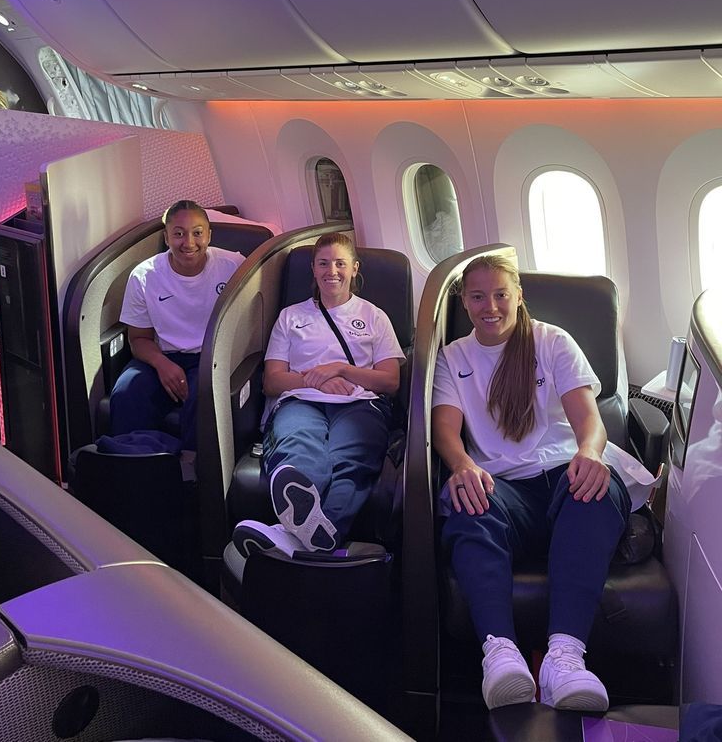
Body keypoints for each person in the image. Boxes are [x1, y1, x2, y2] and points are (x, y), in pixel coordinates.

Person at [432, 253, 656, 712]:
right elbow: (446, 431)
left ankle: (565, 658)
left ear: (518, 296)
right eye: (477, 297)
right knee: (467, 501)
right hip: (502, 487)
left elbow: (589, 422)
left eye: (500, 295)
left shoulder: (552, 342)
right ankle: (501, 655)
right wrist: (461, 465)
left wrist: (591, 454)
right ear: (464, 301)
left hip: (562, 472)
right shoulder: (453, 358)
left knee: (594, 489)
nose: (489, 306)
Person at [229, 232, 404, 572]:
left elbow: (390, 381)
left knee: (350, 459)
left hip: (359, 404)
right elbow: (273, 381)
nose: (332, 271)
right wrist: (317, 379)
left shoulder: (374, 316)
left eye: (340, 263)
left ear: (354, 269)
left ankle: (291, 536)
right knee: (299, 446)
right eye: (323, 263)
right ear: (313, 269)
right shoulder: (290, 317)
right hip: (300, 400)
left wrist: (341, 370)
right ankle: (318, 537)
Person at [109, 200, 245, 451]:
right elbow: (138, 339)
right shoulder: (144, 275)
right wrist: (163, 364)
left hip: (210, 358)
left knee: (202, 398)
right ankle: (131, 464)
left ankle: (192, 474)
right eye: (179, 234)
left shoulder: (233, 267)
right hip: (161, 355)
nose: (189, 243)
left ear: (209, 235)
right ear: (166, 237)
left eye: (197, 233)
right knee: (126, 394)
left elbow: (249, 328)